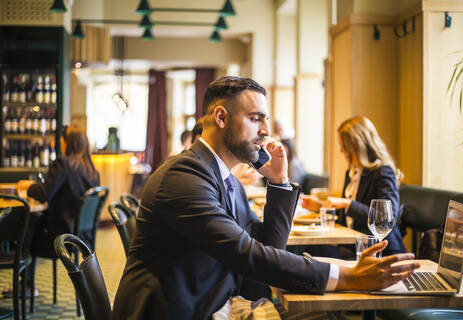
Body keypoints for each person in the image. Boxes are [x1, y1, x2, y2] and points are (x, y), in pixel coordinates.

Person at [112, 77, 418, 320]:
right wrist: (348, 276)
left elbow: (267, 246)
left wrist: (278, 181)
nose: (267, 131)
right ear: (221, 117)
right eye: (256, 118)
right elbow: (249, 255)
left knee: (325, 312)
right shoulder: (184, 177)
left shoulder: (226, 178)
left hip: (215, 303)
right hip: (188, 311)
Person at [303, 116, 406, 256]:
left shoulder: (382, 172)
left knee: (312, 253)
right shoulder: (352, 172)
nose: (341, 150)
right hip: (356, 246)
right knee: (309, 251)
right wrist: (320, 206)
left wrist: (347, 203)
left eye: (344, 146)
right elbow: (345, 216)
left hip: (382, 249)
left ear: (358, 146)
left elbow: (387, 218)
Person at [26, 125, 100, 256]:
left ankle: (22, 271)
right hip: (84, 235)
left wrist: (28, 187)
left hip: (62, 237)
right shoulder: (93, 171)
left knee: (26, 233)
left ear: (67, 143)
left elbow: (44, 194)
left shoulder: (63, 164)